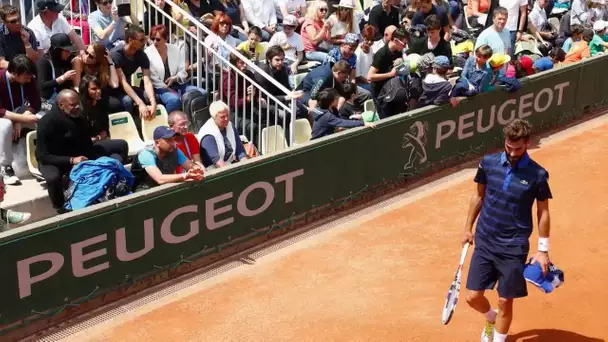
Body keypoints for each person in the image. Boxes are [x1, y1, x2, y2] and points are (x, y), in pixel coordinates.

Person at [463, 119, 553, 342]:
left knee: (505, 300)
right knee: (473, 297)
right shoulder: (488, 164)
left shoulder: (538, 175)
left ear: (528, 143)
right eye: (509, 147)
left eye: (518, 148)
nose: (513, 153)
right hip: (485, 239)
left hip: (513, 246)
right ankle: (490, 318)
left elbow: (543, 212)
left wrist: (543, 250)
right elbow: (478, 196)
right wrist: (468, 228)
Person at [35, 89, 128, 212]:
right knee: (53, 178)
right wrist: (71, 160)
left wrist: (93, 160)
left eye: (77, 103)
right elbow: (43, 155)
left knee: (120, 145)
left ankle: (115, 181)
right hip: (55, 159)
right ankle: (61, 208)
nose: (77, 106)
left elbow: (87, 140)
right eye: (73, 105)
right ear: (61, 105)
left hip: (81, 154)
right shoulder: (46, 123)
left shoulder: (79, 116)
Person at [145, 25, 207, 113]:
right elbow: (153, 78)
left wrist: (175, 78)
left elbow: (182, 70)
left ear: (165, 39)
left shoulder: (174, 49)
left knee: (202, 93)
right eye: (152, 39)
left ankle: (192, 120)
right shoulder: (148, 53)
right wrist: (167, 87)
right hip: (160, 87)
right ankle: (169, 124)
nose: (154, 42)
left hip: (178, 84)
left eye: (158, 39)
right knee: (174, 100)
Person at [0, 55, 40, 185]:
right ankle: (5, 167)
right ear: (16, 73)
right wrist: (22, 118)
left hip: (18, 114)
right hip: (3, 118)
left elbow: (35, 103)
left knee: (42, 121)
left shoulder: (29, 79)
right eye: (26, 76)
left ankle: (39, 161)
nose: (29, 80)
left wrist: (19, 120)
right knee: (6, 126)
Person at [131, 126, 204, 190]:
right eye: (168, 140)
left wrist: (196, 169)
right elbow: (160, 179)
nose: (173, 143)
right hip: (142, 192)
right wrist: (185, 176)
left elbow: (190, 165)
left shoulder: (174, 150)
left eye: (173, 139)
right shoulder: (146, 154)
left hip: (165, 188)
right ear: (157, 143)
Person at [110, 25, 157, 123]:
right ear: (131, 40)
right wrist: (140, 103)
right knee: (127, 101)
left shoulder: (141, 55)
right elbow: (122, 81)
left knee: (151, 97)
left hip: (127, 87)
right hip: (113, 89)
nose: (144, 42)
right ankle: (133, 126)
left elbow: (147, 81)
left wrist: (153, 102)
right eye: (141, 40)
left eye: (145, 39)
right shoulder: (116, 54)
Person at [78, 75, 129, 161]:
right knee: (122, 144)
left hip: (101, 141)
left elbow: (105, 129)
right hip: (89, 146)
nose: (98, 91)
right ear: (85, 91)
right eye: (94, 89)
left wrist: (101, 137)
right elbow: (83, 138)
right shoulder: (80, 110)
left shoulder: (101, 105)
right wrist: (98, 138)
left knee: (117, 158)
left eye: (99, 88)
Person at [198, 100, 248, 169]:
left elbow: (240, 150)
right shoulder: (208, 135)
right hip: (214, 169)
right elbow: (217, 161)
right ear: (214, 117)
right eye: (222, 117)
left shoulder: (230, 125)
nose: (226, 118)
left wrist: (246, 165)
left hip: (230, 163)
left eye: (227, 115)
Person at [368, 27, 408, 104]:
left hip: (393, 89)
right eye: (404, 44)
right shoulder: (381, 54)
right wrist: (390, 74)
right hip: (381, 94)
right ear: (396, 40)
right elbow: (370, 76)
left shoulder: (398, 51)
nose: (405, 46)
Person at [36, 33, 77, 102]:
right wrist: (63, 78)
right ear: (57, 50)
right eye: (66, 51)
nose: (69, 53)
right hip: (47, 101)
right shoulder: (44, 62)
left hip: (62, 99)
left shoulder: (65, 60)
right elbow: (42, 86)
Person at [354, 25, 376, 92]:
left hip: (369, 79)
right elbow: (357, 75)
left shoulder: (371, 49)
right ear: (363, 37)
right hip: (361, 83)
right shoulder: (358, 52)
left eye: (372, 40)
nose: (369, 42)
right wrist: (368, 81)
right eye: (367, 39)